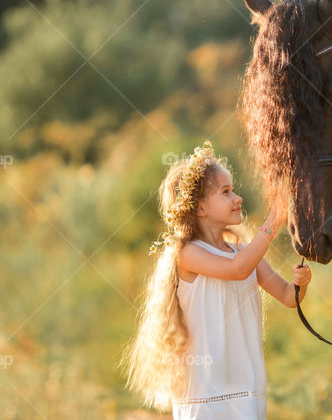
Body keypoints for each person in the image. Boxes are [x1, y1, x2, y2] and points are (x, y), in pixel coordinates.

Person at [122, 140, 312, 419]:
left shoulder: (243, 251)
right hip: (207, 398)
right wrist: (273, 221)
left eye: (233, 190)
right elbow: (237, 269)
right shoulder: (187, 254)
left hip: (247, 391)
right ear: (199, 209)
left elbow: (287, 297)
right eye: (226, 192)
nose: (238, 198)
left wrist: (300, 283)